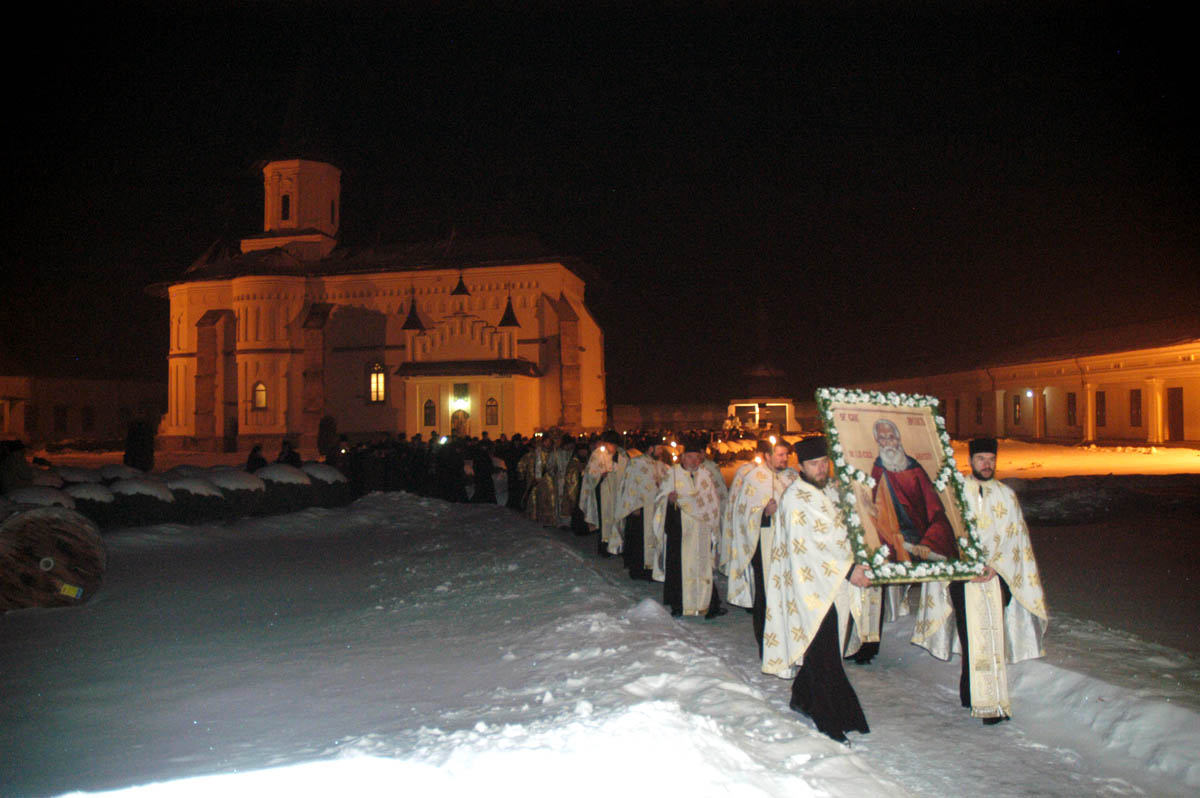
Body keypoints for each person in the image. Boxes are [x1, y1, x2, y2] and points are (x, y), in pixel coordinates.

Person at [912, 437, 1048, 724]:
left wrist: (995, 567)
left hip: (995, 578)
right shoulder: (954, 493)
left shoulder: (1006, 495)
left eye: (991, 459)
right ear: (970, 461)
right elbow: (944, 534)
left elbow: (1016, 540)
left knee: (992, 639)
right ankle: (979, 698)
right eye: (981, 459)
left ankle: (984, 699)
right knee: (971, 638)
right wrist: (965, 567)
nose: (987, 464)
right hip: (963, 578)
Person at [763, 435, 875, 744]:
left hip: (834, 584)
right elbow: (809, 548)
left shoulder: (831, 491)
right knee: (823, 651)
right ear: (801, 466)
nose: (821, 468)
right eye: (814, 464)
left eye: (824, 462)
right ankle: (829, 719)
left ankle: (802, 696)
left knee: (825, 649)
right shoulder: (795, 499)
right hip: (808, 586)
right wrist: (849, 569)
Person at [726, 439, 797, 657]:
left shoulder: (792, 477)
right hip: (763, 545)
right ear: (767, 456)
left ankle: (789, 642)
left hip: (789, 546)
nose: (784, 459)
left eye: (786, 455)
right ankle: (766, 644)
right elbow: (743, 514)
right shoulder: (754, 479)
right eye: (780, 455)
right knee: (765, 595)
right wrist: (764, 513)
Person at [651, 437, 725, 618]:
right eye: (690, 457)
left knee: (703, 565)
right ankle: (679, 605)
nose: (694, 461)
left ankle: (709, 605)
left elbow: (713, 501)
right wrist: (669, 500)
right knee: (679, 567)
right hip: (680, 530)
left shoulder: (705, 474)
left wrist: (713, 524)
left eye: (697, 457)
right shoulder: (673, 474)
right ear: (683, 457)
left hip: (702, 529)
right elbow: (659, 499)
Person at [868, 418, 956, 561]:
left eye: (891, 437)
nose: (888, 443)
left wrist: (928, 543)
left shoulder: (915, 470)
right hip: (895, 544)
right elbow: (879, 513)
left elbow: (935, 511)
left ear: (898, 439)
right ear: (877, 441)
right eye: (882, 438)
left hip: (922, 541)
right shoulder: (878, 471)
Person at [615, 437, 670, 580]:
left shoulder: (660, 465)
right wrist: (633, 506)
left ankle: (652, 570)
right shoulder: (636, 463)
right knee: (639, 541)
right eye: (659, 448)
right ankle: (638, 570)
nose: (661, 451)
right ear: (651, 448)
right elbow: (629, 484)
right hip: (640, 509)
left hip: (656, 509)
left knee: (654, 539)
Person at [580, 431, 630, 556]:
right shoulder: (598, 454)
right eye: (609, 444)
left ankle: (618, 546)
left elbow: (628, 474)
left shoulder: (623, 456)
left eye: (613, 445)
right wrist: (600, 475)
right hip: (603, 493)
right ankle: (604, 546)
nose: (611, 447)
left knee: (618, 520)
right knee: (605, 519)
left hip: (618, 494)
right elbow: (590, 474)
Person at [518, 434, 559, 524]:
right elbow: (522, 464)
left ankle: (547, 519)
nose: (547, 444)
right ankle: (533, 517)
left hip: (548, 480)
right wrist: (522, 475)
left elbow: (556, 467)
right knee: (533, 498)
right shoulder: (534, 454)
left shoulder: (554, 454)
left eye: (549, 442)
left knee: (549, 498)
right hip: (534, 481)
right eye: (546, 441)